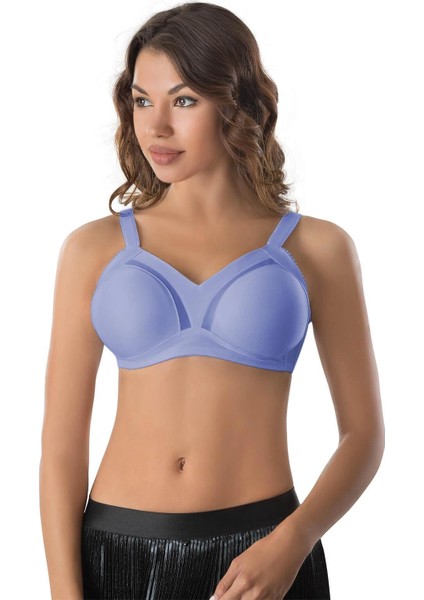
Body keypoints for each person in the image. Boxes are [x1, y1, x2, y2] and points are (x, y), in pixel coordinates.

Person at [39, 3, 385, 599]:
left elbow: (364, 435)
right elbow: (60, 451)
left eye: (183, 100)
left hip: (263, 555)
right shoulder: (92, 249)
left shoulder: (317, 249)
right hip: (118, 551)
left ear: (236, 103)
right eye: (142, 100)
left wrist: (295, 540)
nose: (156, 127)